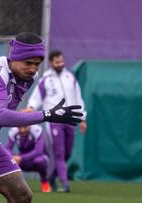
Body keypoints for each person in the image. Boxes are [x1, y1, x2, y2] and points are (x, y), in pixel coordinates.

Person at [0, 32, 82, 203]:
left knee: (22, 196)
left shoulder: (27, 78)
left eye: (37, 64)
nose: (33, 69)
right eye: (28, 63)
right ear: (14, 58)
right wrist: (46, 115)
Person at [27, 50, 87, 193]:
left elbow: (78, 97)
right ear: (51, 63)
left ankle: (52, 176)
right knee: (59, 153)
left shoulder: (70, 76)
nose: (60, 64)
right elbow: (36, 98)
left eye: (62, 61)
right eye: (57, 62)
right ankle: (65, 184)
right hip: (54, 120)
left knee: (67, 153)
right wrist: (31, 108)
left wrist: (83, 118)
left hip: (70, 119)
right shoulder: (46, 79)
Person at [5, 109, 51, 193]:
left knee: (39, 160)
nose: (22, 130)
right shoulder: (13, 131)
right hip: (22, 160)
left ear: (30, 124)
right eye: (20, 127)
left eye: (25, 127)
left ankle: (44, 182)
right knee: (9, 160)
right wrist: (13, 157)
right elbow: (7, 149)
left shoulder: (37, 130)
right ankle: (12, 185)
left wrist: (21, 158)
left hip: (37, 159)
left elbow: (38, 151)